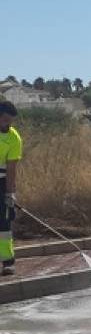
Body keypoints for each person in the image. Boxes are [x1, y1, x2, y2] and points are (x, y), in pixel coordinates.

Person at [0, 101, 22, 276]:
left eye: (11, 121)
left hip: (2, 181)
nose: (8, 124)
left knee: (4, 224)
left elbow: (11, 168)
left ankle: (7, 262)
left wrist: (10, 194)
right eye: (6, 119)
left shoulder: (14, 137)